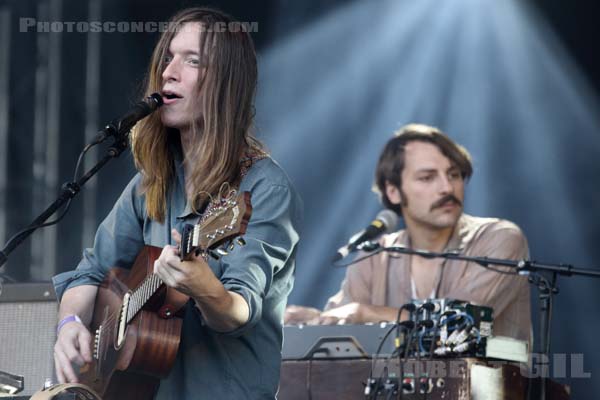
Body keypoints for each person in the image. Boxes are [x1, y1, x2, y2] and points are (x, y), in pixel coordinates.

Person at [52, 7, 302, 399]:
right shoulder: (150, 185)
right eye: (168, 57)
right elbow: (91, 273)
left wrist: (207, 290)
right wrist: (69, 323)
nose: (169, 71)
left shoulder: (264, 188)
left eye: (193, 61)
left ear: (226, 82)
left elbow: (237, 311)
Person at [285, 123, 531, 343]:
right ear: (393, 192)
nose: (447, 188)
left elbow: (461, 324)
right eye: (427, 178)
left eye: (454, 175)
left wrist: (367, 313)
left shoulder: (499, 238)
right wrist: (314, 320)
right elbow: (345, 319)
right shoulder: (374, 256)